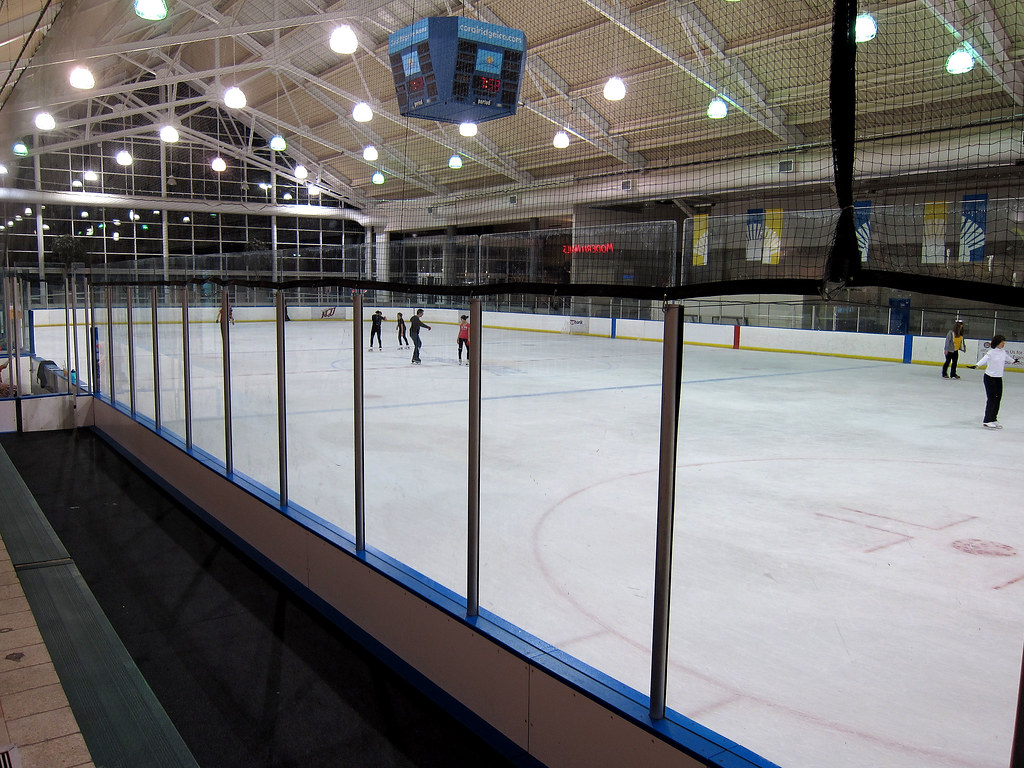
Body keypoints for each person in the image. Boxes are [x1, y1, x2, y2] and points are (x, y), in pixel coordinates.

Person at [967, 334, 1019, 429]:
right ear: (997, 343)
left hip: (998, 378)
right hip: (989, 378)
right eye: (1002, 342)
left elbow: (1009, 359)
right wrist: (976, 365)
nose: (1004, 343)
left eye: (1004, 342)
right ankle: (987, 420)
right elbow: (984, 360)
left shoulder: (1003, 352)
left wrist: (1014, 361)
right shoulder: (991, 353)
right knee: (991, 399)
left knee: (998, 399)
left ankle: (994, 418)